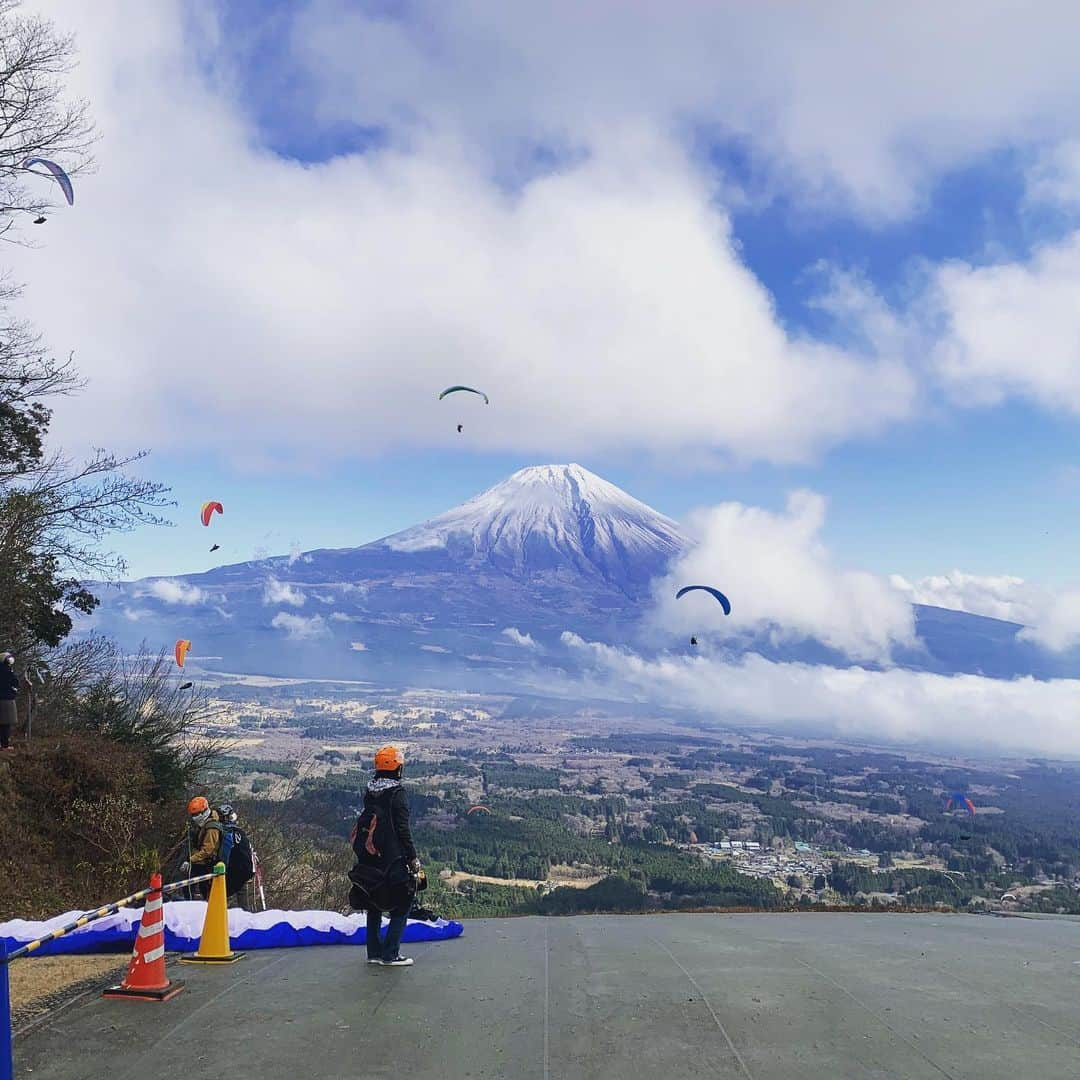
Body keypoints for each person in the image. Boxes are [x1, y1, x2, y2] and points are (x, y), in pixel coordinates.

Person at [351, 745, 420, 967]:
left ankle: (374, 952)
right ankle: (390, 953)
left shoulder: (370, 791)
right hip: (392, 858)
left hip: (369, 858)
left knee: (373, 901)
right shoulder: (397, 794)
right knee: (403, 902)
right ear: (397, 767)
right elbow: (402, 830)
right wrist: (413, 858)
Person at [180, 796, 222, 900]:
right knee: (191, 887)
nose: (194, 817)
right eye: (193, 815)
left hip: (206, 863)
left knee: (203, 890)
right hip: (201, 861)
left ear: (203, 812)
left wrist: (190, 859)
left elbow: (208, 850)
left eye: (196, 814)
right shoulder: (204, 823)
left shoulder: (212, 828)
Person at [0, 653, 18, 751]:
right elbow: (15, 682)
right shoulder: (8, 671)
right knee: (5, 724)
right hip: (6, 699)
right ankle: (5, 745)